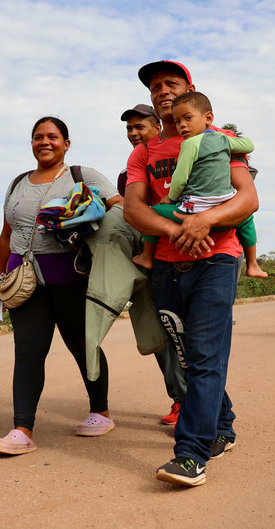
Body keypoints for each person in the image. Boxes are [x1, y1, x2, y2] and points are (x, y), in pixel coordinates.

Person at [124, 60, 257, 488]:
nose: (163, 90)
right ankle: (224, 424)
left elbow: (247, 198)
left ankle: (191, 455)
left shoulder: (219, 140)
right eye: (156, 86)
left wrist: (207, 221)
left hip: (218, 259)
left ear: (190, 90)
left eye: (171, 83)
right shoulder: (143, 152)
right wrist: (180, 228)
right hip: (166, 264)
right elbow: (134, 209)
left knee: (202, 355)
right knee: (188, 353)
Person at [0, 116, 123, 456]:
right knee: (28, 352)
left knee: (83, 345)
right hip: (24, 280)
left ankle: (100, 412)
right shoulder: (18, 182)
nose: (44, 142)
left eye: (52, 136)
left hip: (71, 278)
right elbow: (7, 234)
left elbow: (118, 207)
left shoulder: (82, 175)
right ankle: (22, 429)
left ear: (66, 143)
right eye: (38, 137)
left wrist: (87, 217)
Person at [132, 92, 267, 280]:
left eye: (187, 118)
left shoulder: (189, 144)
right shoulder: (222, 139)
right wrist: (225, 140)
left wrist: (170, 198)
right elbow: (248, 145)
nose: (182, 125)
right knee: (246, 220)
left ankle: (146, 256)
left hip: (193, 210)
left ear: (208, 117)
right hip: (223, 208)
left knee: (155, 211)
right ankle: (252, 264)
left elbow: (180, 178)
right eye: (178, 121)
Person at [118, 104, 187, 427]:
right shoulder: (129, 171)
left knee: (190, 337)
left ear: (157, 127)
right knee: (160, 335)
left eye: (139, 127)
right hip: (151, 262)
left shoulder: (182, 154)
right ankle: (179, 400)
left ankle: (200, 405)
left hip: (189, 255)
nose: (133, 133)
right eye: (129, 129)